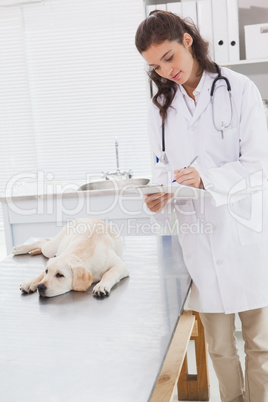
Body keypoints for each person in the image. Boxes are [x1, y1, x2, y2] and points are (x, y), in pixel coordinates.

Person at [135, 10, 268, 402]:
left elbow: (259, 166)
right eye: (155, 66)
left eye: (169, 57)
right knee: (220, 348)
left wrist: (207, 177)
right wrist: (158, 195)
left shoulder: (238, 89)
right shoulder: (159, 109)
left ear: (188, 40)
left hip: (245, 237)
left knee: (260, 346)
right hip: (200, 242)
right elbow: (162, 169)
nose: (165, 71)